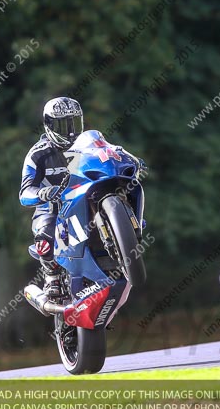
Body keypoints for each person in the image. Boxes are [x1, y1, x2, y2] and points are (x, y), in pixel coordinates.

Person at [19, 97, 146, 300]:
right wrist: (42, 193)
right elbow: (24, 193)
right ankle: (51, 275)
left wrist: (129, 160)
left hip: (87, 195)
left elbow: (110, 153)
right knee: (44, 234)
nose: (69, 131)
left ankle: (126, 229)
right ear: (49, 125)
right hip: (54, 207)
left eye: (74, 123)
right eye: (62, 125)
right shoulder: (37, 154)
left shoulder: (87, 145)